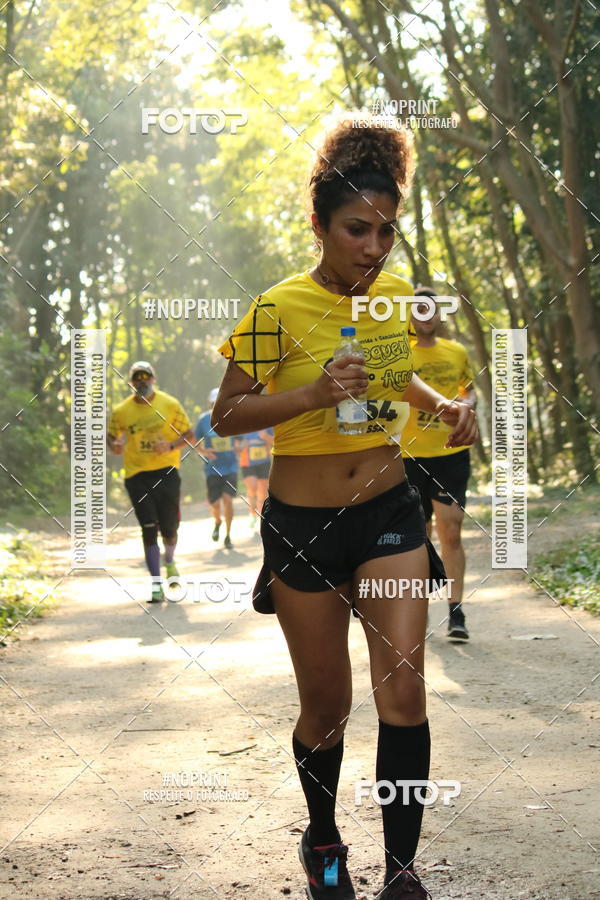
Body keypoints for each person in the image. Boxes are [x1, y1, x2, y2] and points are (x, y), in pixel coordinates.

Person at [211, 117, 478, 899]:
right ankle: (323, 838)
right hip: (303, 529)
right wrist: (314, 394)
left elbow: (395, 382)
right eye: (358, 230)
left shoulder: (393, 296)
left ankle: (402, 871)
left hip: (389, 511)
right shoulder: (278, 308)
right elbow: (225, 415)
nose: (375, 247)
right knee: (325, 708)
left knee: (404, 690)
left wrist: (446, 407)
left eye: (387, 231)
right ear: (321, 226)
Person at [401, 288, 477, 641]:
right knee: (418, 537)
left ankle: (456, 611)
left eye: (430, 309)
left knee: (451, 531)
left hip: (450, 454)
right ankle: (416, 612)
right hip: (407, 456)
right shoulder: (399, 353)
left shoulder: (456, 351)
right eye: (418, 309)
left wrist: (465, 406)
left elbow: (469, 390)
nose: (425, 314)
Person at [107, 361, 194, 603]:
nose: (142, 381)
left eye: (146, 377)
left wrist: (170, 446)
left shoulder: (169, 404)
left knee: (169, 530)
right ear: (131, 382)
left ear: (154, 380)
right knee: (148, 528)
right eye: (137, 378)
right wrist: (115, 446)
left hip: (166, 471)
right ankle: (156, 584)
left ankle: (169, 560)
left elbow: (189, 434)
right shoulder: (121, 412)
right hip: (137, 476)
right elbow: (112, 441)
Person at [194, 388, 239, 549]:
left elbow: (240, 441)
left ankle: (228, 535)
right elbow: (194, 441)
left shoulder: (232, 418)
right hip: (212, 468)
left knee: (227, 500)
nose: (216, 406)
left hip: (230, 467)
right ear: (210, 403)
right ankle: (218, 521)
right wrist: (205, 451)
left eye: (219, 403)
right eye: (213, 403)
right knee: (215, 504)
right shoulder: (203, 420)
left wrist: (238, 448)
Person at [238, 428, 274, 528]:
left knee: (262, 491)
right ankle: (252, 513)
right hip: (247, 462)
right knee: (252, 486)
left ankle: (261, 516)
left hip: (264, 461)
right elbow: (236, 446)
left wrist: (266, 437)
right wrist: (242, 445)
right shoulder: (243, 423)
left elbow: (277, 442)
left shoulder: (268, 424)